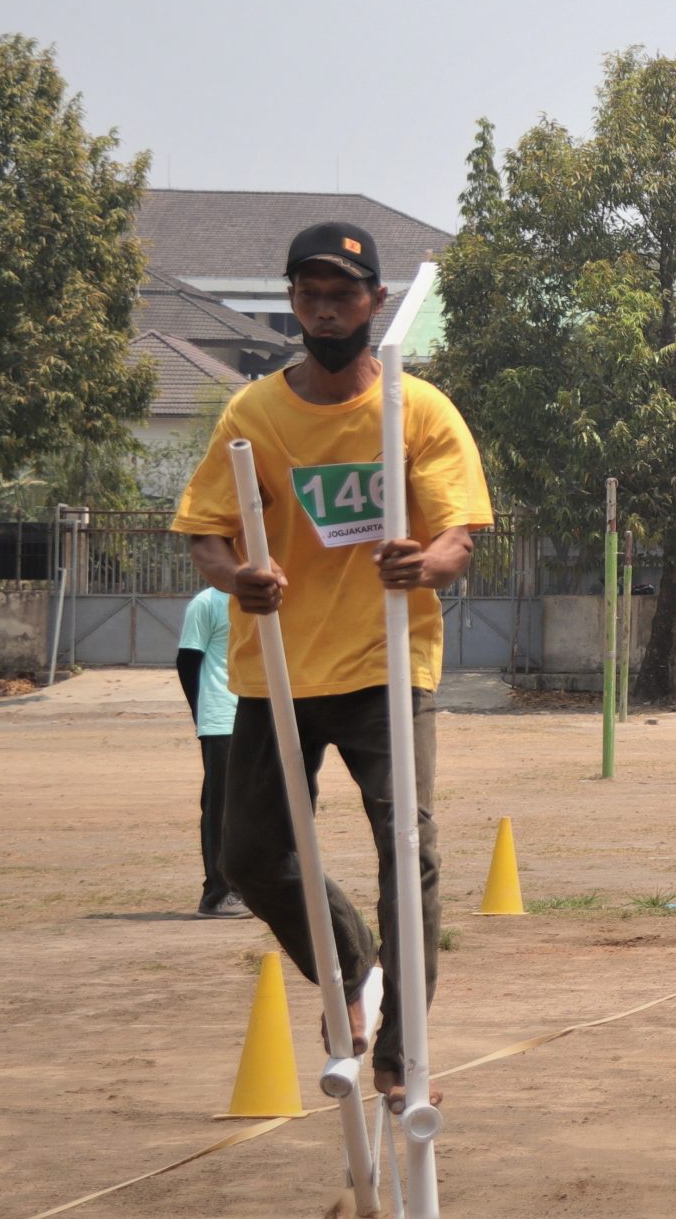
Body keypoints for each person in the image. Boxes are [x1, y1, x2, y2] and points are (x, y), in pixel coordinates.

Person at [172, 222, 492, 1110]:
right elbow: (205, 528)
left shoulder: (416, 410)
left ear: (375, 303)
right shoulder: (254, 414)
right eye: (308, 292)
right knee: (249, 854)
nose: (323, 308)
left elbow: (459, 534)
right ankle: (352, 967)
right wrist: (240, 576)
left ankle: (399, 1048)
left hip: (388, 661)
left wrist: (426, 564)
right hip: (276, 668)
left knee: (407, 850)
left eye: (342, 293)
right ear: (292, 303)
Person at [175, 584, 247, 918]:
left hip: (258, 715)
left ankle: (250, 888)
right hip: (221, 718)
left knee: (254, 807)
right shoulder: (206, 603)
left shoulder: (266, 597)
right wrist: (202, 712)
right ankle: (218, 894)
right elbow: (188, 660)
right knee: (221, 806)